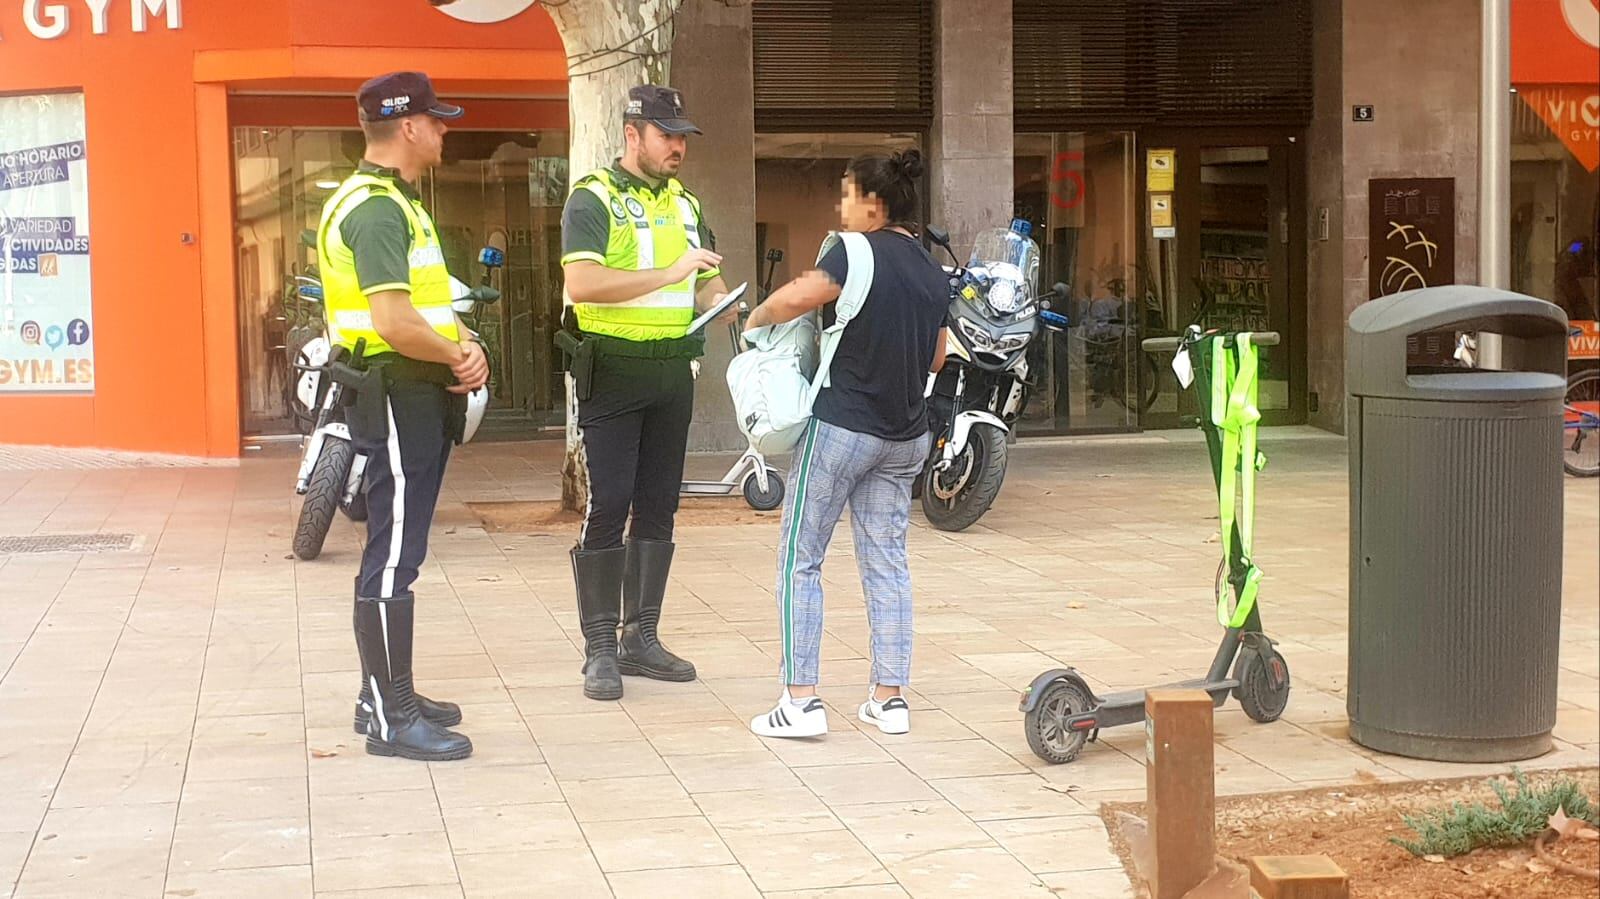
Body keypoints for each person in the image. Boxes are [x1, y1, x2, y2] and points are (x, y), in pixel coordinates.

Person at [743, 150, 948, 739]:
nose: (842, 208)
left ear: (873, 205)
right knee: (887, 565)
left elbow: (795, 299)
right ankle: (890, 700)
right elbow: (936, 356)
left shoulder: (850, 250)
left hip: (841, 429)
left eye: (847, 197)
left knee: (799, 558)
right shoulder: (933, 271)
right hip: (905, 436)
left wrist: (754, 320)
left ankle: (800, 702)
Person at [318, 71, 488, 761]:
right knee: (394, 558)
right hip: (396, 392)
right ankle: (393, 717)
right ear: (408, 126)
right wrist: (458, 355)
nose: (446, 130)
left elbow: (425, 302)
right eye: (438, 120)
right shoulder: (378, 209)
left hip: (408, 393)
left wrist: (461, 343)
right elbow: (392, 320)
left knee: (394, 547)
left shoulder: (395, 200)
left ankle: (383, 694)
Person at [559, 85, 730, 701]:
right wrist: (672, 274)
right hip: (612, 370)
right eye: (666, 135)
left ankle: (642, 638)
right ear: (632, 135)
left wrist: (728, 304)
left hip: (670, 373)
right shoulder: (592, 198)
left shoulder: (687, 204)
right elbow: (582, 283)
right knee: (609, 505)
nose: (678, 147)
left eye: (682, 136)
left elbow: (707, 285)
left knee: (659, 505)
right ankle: (600, 647)